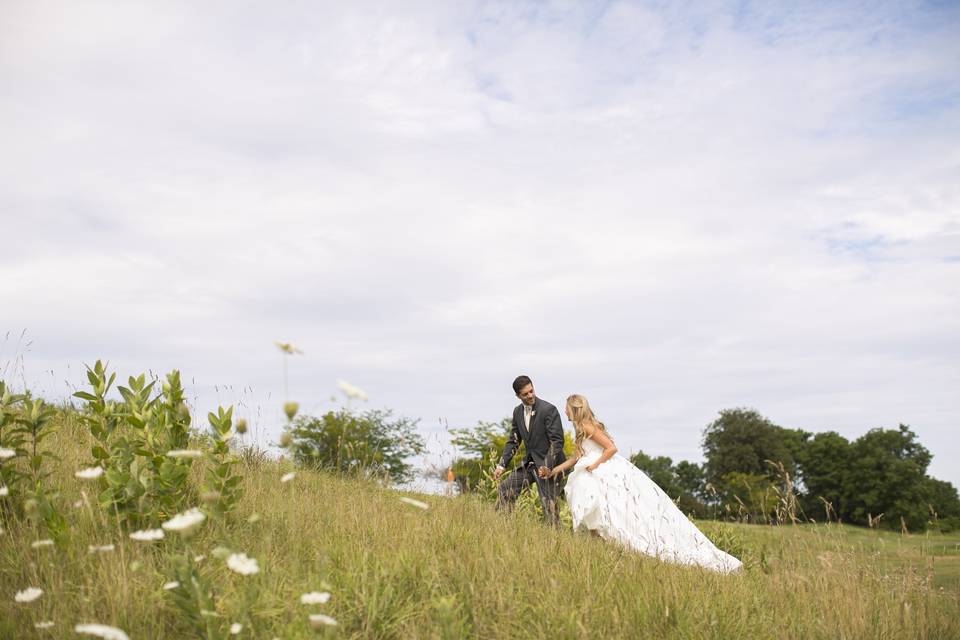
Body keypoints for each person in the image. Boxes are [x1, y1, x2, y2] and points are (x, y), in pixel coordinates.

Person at [540, 394, 742, 573]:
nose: (564, 411)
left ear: (574, 408)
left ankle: (622, 552)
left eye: (566, 407)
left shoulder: (588, 427)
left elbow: (611, 448)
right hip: (594, 473)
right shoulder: (581, 430)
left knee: (613, 516)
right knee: (599, 518)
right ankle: (600, 557)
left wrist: (595, 465)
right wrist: (554, 471)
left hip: (605, 474)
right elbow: (575, 458)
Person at [493, 375, 567, 526]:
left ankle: (555, 541)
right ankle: (504, 528)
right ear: (518, 396)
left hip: (550, 466)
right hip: (530, 464)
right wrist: (502, 465)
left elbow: (557, 441)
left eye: (531, 391)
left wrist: (547, 466)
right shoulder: (517, 412)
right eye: (525, 394)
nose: (530, 395)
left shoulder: (548, 409)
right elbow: (514, 440)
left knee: (549, 507)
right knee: (505, 488)